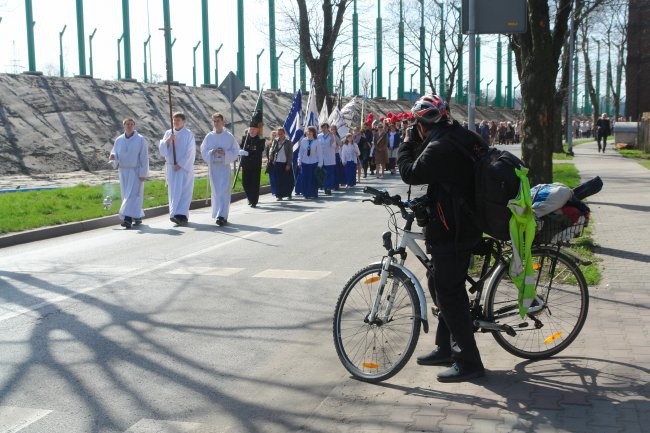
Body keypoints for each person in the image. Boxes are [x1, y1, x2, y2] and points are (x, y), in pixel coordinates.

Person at [397, 94, 485, 383]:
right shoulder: (459, 135)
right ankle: (445, 347)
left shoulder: (440, 146)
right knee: (439, 282)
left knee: (450, 293)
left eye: (415, 124)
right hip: (465, 223)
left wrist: (407, 143)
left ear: (422, 124)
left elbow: (410, 172)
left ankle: (469, 361)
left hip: (453, 231)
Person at [200, 112, 240, 226]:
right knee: (216, 192)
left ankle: (222, 215)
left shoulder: (229, 136)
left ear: (223, 122)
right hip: (214, 167)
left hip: (224, 167)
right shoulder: (209, 136)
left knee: (224, 191)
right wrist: (211, 152)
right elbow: (203, 151)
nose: (216, 123)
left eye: (218, 121)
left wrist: (225, 153)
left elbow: (235, 151)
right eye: (214, 121)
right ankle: (218, 214)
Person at [109, 117, 149, 229]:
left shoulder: (140, 140)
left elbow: (144, 157)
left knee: (132, 195)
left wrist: (143, 173)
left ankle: (127, 219)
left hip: (135, 171)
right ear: (124, 126)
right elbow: (115, 152)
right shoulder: (119, 140)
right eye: (127, 124)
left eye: (131, 124)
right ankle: (137, 216)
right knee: (126, 194)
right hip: (123, 171)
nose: (129, 126)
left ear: (134, 126)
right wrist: (113, 157)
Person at [159, 112, 195, 226]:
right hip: (171, 167)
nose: (175, 122)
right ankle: (174, 213)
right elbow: (162, 149)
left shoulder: (188, 134)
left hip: (183, 168)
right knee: (174, 191)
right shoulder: (168, 133)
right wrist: (169, 140)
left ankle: (182, 214)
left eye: (178, 120)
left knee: (184, 191)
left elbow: (191, 152)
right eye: (174, 120)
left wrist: (180, 164)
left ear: (183, 121)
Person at [240, 117, 265, 207]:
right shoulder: (245, 138)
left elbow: (258, 151)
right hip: (246, 164)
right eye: (250, 129)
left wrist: (248, 153)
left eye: (254, 129)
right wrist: (240, 152)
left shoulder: (260, 140)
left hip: (255, 165)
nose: (252, 131)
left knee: (254, 183)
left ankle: (253, 201)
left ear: (257, 130)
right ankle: (249, 197)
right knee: (245, 182)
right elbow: (241, 147)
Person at [297, 126, 323, 199]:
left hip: (314, 162)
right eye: (308, 132)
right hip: (305, 162)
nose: (309, 133)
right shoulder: (303, 141)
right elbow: (301, 152)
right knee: (305, 178)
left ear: (313, 133)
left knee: (313, 179)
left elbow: (319, 153)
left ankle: (314, 193)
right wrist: (299, 162)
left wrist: (320, 164)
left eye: (310, 132)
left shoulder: (317, 141)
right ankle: (306, 194)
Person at [268, 127, 294, 200]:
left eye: (281, 133)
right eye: (278, 134)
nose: (280, 135)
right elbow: (272, 149)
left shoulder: (288, 142)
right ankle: (279, 195)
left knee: (288, 180)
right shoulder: (275, 141)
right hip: (277, 162)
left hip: (285, 163)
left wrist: (288, 164)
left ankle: (288, 193)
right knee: (278, 180)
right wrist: (271, 155)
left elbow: (290, 154)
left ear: (284, 133)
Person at [318, 122, 337, 195]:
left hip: (330, 158)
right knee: (323, 174)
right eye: (322, 127)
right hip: (321, 158)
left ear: (328, 128)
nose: (324, 129)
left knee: (329, 174)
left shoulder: (331, 136)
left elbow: (334, 146)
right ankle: (325, 187)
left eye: (325, 127)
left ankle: (328, 188)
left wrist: (332, 138)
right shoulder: (319, 136)